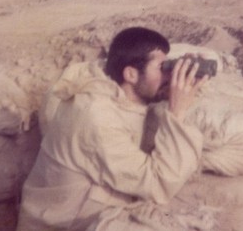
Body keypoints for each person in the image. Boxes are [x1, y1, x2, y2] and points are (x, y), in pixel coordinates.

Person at [16, 27, 209, 230]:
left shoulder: (117, 91)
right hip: (62, 225)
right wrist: (177, 112)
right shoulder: (96, 117)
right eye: (162, 68)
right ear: (131, 74)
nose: (168, 75)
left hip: (86, 208)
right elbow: (158, 184)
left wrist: (191, 77)